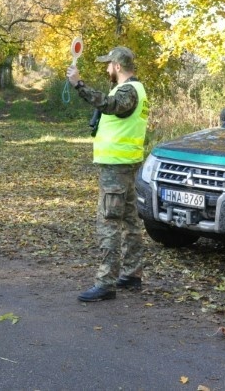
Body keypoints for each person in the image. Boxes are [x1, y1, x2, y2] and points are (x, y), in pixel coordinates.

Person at [66, 46, 150, 302]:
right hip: (125, 165)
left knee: (109, 223)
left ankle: (106, 283)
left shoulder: (128, 91)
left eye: (108, 64)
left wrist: (79, 84)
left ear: (117, 66)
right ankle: (132, 274)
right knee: (130, 221)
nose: (106, 69)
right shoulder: (133, 89)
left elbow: (109, 105)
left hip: (117, 167)